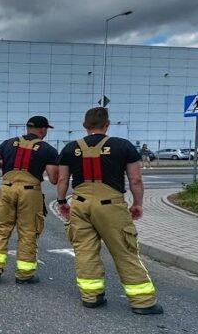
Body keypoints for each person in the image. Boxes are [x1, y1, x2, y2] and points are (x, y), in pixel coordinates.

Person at [56, 107, 160, 314]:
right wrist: (137, 204)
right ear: (108, 124)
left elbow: (62, 179)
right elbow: (135, 179)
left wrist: (61, 201)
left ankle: (91, 296)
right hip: (110, 206)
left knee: (85, 251)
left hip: (80, 203)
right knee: (124, 250)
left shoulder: (70, 148)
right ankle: (142, 302)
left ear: (85, 126)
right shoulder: (122, 146)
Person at [0, 116, 60, 284]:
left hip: (7, 188)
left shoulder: (9, 143)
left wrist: (3, 166)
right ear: (43, 129)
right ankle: (24, 274)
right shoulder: (48, 149)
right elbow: (54, 178)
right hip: (30, 192)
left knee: (1, 229)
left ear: (27, 128)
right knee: (28, 232)